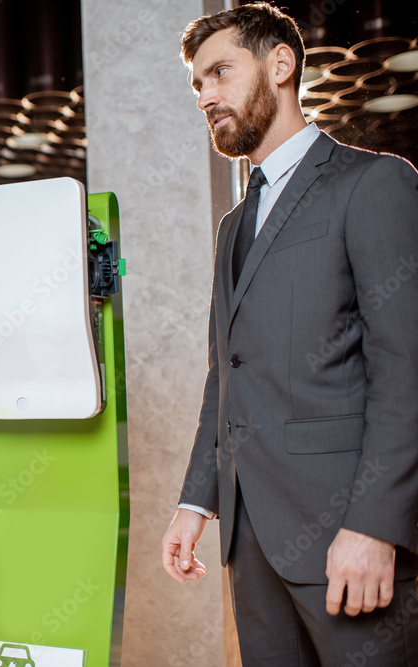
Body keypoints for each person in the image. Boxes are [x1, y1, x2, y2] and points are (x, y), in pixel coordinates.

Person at [161, 4, 418, 665]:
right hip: (252, 546)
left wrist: (374, 525)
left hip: (349, 542)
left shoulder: (374, 183)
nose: (206, 95)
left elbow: (406, 370)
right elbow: (229, 373)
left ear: (281, 64)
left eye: (219, 71)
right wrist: (198, 500)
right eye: (197, 84)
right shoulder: (233, 227)